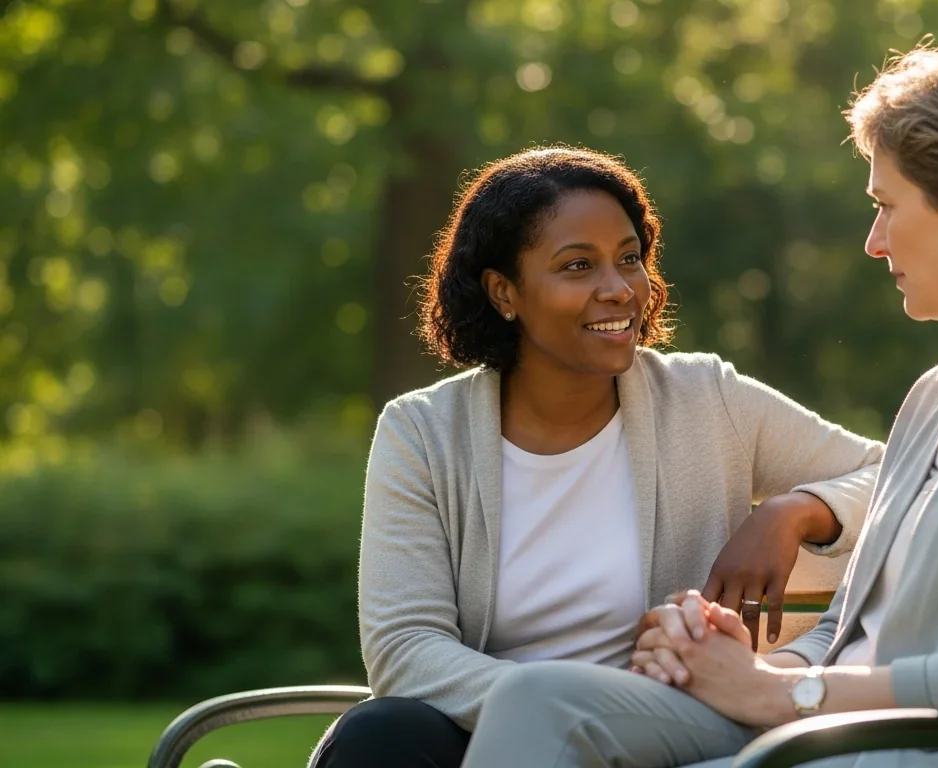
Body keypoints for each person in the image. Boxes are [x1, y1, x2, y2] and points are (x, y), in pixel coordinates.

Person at [460, 33, 938, 768]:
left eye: (887, 205)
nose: (875, 241)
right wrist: (727, 661)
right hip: (843, 739)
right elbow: (853, 630)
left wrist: (783, 695)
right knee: (538, 701)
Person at [308, 147, 885, 768]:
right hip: (486, 731)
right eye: (578, 266)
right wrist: (562, 708)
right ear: (505, 293)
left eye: (629, 259)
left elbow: (895, 475)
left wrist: (797, 510)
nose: (618, 290)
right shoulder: (422, 433)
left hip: (657, 737)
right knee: (382, 735)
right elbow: (406, 648)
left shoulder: (706, 398)